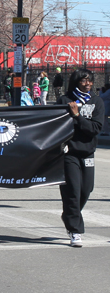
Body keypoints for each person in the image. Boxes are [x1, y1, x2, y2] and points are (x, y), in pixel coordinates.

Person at [56, 69, 104, 247]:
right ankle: (75, 231)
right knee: (72, 192)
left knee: (86, 190)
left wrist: (77, 116)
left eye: (90, 81)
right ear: (76, 82)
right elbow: (55, 125)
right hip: (69, 153)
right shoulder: (64, 101)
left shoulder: (96, 101)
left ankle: (69, 214)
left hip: (88, 152)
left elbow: (95, 128)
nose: (88, 84)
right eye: (84, 81)